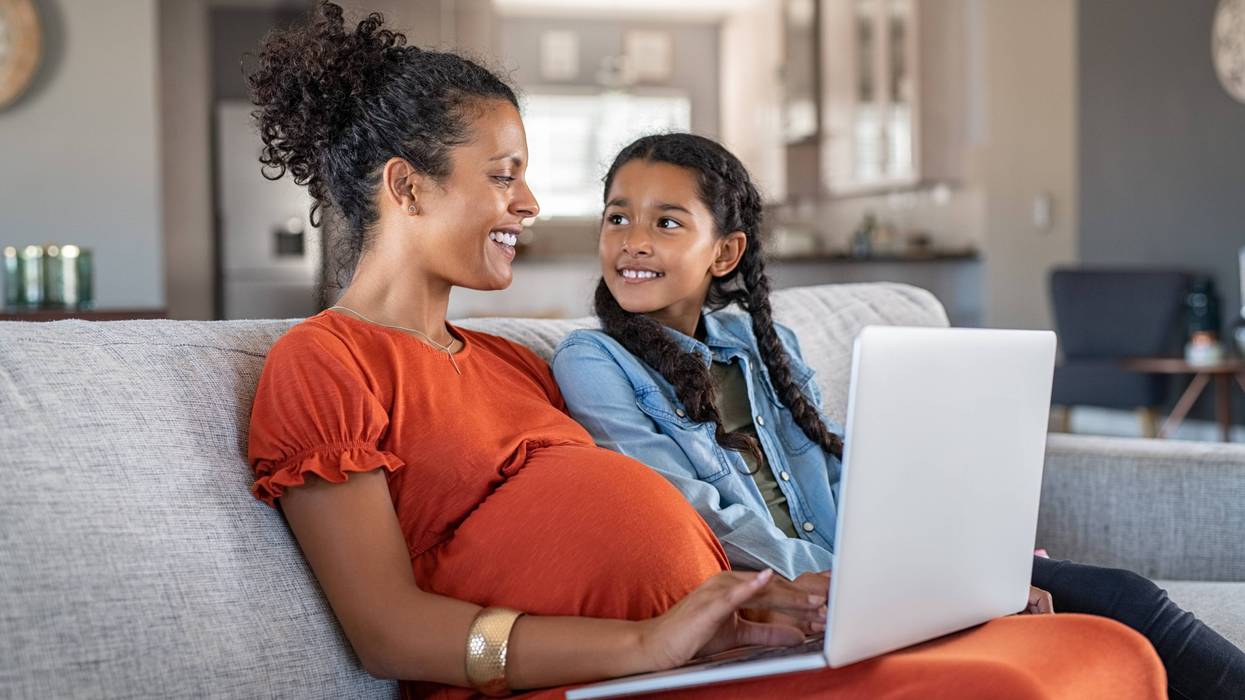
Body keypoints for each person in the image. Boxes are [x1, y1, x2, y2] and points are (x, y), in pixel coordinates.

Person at [246, 4, 1165, 698]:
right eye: (504, 177)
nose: (529, 207)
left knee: (1099, 647)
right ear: (407, 187)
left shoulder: (506, 360)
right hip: (608, 681)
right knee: (1014, 682)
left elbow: (669, 523)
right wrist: (650, 645)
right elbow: (388, 633)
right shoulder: (326, 364)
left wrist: (782, 607)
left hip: (725, 650)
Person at [550, 132, 1245, 700]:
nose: (632, 241)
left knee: (1121, 597)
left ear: (724, 252)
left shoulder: (760, 345)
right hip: (791, 602)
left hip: (874, 585)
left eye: (666, 222)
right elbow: (684, 507)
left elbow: (841, 470)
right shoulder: (594, 360)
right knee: (1089, 621)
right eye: (617, 217)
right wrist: (857, 586)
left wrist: (947, 560)